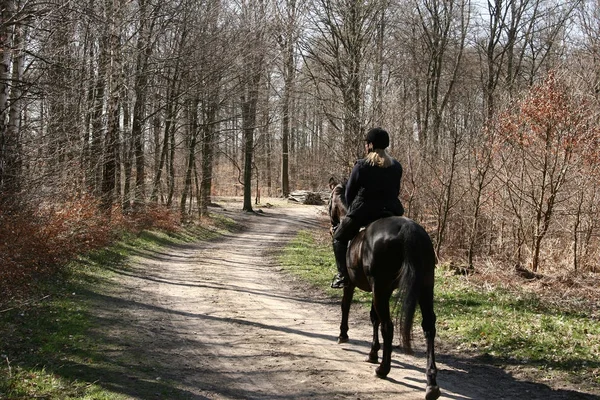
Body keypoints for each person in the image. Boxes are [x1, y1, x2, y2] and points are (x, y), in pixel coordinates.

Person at [331, 127, 405, 288]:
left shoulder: (362, 165)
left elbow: (349, 192)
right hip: (391, 212)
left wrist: (352, 209)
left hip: (364, 212)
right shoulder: (396, 166)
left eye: (366, 143)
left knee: (338, 238)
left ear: (370, 145)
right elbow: (396, 191)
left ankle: (343, 275)